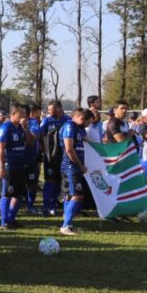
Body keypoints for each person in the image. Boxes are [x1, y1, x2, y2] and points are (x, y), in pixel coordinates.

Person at [0, 105, 32, 229]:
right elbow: (0, 149)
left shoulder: (21, 128)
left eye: (24, 114)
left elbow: (30, 143)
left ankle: (11, 219)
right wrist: (2, 167)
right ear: (13, 114)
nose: (24, 116)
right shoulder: (6, 128)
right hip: (8, 166)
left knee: (19, 194)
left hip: (20, 165)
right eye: (21, 114)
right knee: (6, 194)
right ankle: (4, 222)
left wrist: (26, 129)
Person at [59, 108, 88, 236]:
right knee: (77, 195)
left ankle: (68, 224)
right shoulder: (70, 126)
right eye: (84, 120)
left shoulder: (80, 129)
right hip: (70, 167)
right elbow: (69, 149)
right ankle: (65, 226)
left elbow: (88, 142)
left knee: (71, 195)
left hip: (75, 167)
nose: (85, 123)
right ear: (77, 117)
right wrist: (80, 165)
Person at [39, 101, 68, 216]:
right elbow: (40, 135)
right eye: (48, 109)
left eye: (51, 109)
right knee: (50, 180)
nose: (48, 111)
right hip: (50, 156)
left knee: (59, 180)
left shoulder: (67, 120)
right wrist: (45, 150)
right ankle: (46, 207)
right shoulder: (46, 120)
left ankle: (54, 204)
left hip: (63, 156)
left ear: (59, 109)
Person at [24, 104, 42, 214]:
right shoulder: (11, 125)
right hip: (15, 159)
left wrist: (25, 129)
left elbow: (32, 139)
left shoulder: (34, 123)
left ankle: (30, 205)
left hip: (30, 159)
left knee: (32, 183)